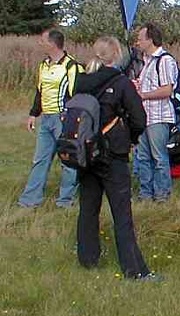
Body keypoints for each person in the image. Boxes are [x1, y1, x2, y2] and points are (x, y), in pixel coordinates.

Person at [73, 36, 158, 281]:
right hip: (113, 154)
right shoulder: (121, 83)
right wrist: (129, 137)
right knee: (122, 214)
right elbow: (139, 119)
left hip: (86, 152)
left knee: (88, 208)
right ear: (117, 55)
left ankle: (88, 258)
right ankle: (135, 269)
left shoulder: (81, 81)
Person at [18, 29, 84, 209]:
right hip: (46, 118)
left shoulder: (72, 67)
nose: (40, 43)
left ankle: (65, 200)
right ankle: (30, 199)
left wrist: (70, 119)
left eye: (42, 40)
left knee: (67, 160)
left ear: (52, 44)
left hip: (63, 118)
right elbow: (40, 92)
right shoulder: (43, 65)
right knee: (40, 159)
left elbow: (77, 95)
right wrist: (33, 113)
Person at [133, 23, 177, 202]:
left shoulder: (164, 60)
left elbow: (167, 90)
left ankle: (162, 194)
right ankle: (145, 193)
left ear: (150, 39)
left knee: (159, 157)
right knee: (143, 156)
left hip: (158, 117)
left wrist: (144, 95)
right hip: (145, 116)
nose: (137, 42)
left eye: (140, 38)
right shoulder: (146, 61)